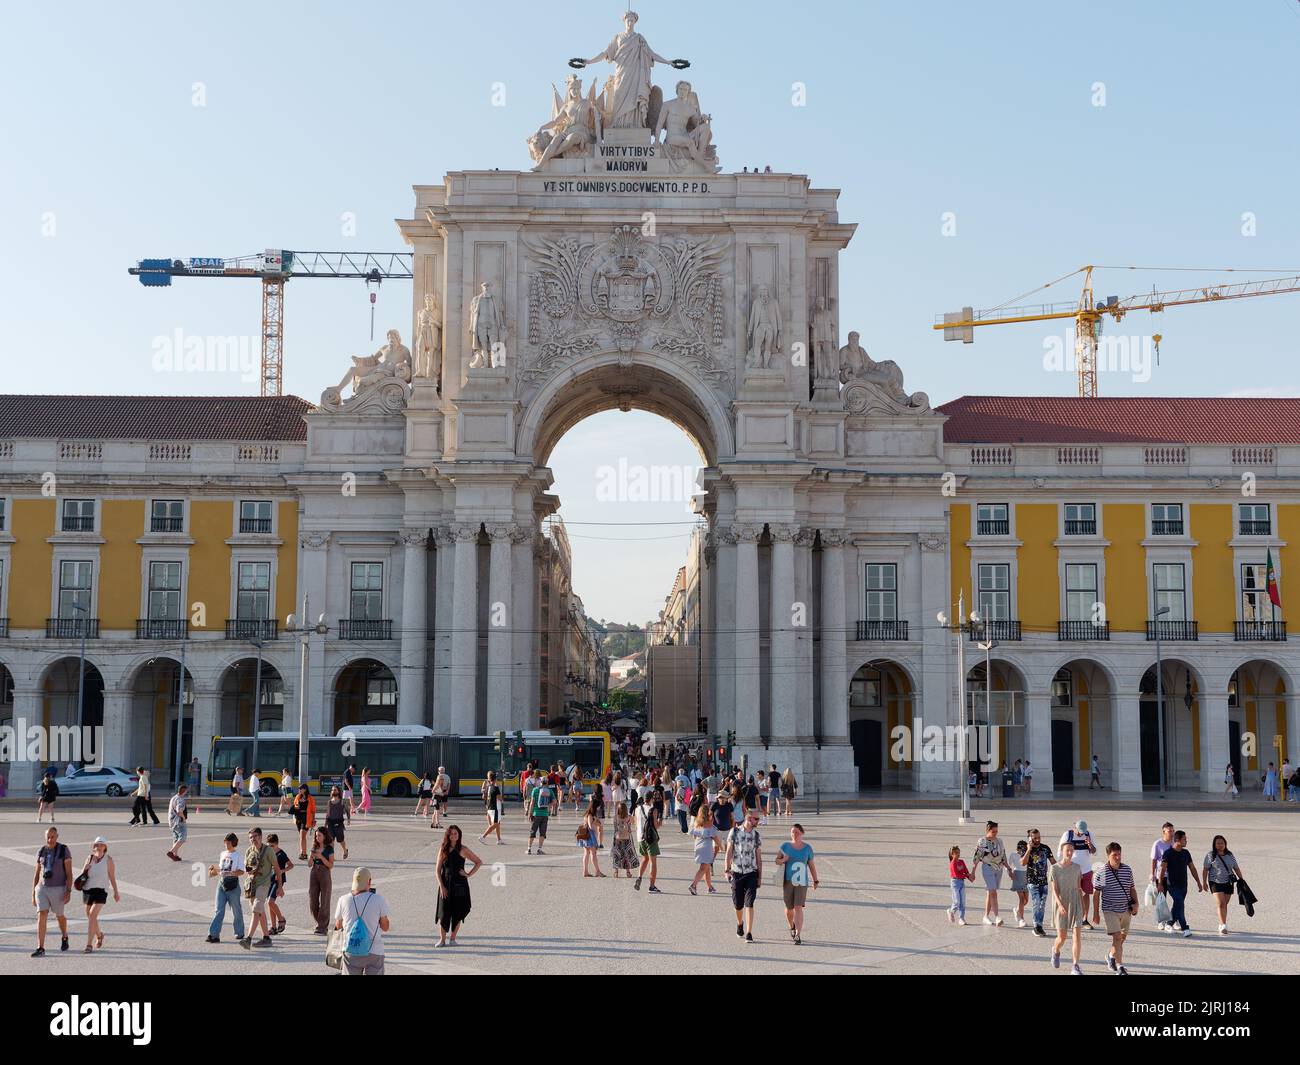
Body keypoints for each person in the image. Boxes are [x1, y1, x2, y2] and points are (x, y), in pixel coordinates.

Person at [333, 867, 391, 975]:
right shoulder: (378, 899)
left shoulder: (343, 899)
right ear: (369, 882)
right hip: (374, 951)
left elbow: (338, 925)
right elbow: (385, 927)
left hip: (351, 950)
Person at [435, 825, 482, 946]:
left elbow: (478, 862)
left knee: (458, 912)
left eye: (456, 833)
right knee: (443, 912)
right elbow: (437, 869)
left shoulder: (463, 849)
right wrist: (441, 886)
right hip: (445, 883)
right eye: (451, 834)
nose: (453, 836)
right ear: (448, 835)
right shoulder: (443, 848)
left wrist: (468, 874)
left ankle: (453, 939)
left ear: (459, 835)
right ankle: (442, 940)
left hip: (460, 884)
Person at [775, 823, 819, 944]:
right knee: (789, 909)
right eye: (792, 832)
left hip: (802, 882)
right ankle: (792, 926)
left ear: (802, 833)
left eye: (796, 832)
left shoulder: (807, 848)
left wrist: (815, 880)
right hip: (788, 881)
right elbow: (777, 861)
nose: (794, 834)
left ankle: (798, 935)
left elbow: (811, 865)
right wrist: (783, 860)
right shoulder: (785, 846)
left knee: (798, 907)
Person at [31, 826, 72, 956]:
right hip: (42, 888)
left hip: (58, 888)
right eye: (48, 837)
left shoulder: (63, 850)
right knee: (42, 914)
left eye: (52, 836)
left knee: (59, 916)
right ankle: (40, 947)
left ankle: (64, 936)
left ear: (57, 836)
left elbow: (69, 873)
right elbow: (37, 873)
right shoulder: (41, 851)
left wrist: (68, 890)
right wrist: (33, 892)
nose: (50, 839)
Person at [1098, 842, 1138, 975]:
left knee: (1121, 939)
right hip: (1110, 910)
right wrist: (1095, 913)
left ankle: (1110, 956)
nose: (1118, 857)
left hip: (1125, 909)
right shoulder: (1102, 872)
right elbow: (1096, 894)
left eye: (1119, 854)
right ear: (1108, 856)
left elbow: (1132, 888)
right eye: (1114, 855)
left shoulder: (1127, 869)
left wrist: (1136, 904)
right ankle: (1120, 967)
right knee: (1117, 937)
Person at [75, 836, 119, 954]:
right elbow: (82, 875)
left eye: (101, 844)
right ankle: (99, 935)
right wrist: (86, 867)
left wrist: (116, 892)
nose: (99, 846)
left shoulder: (108, 860)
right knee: (91, 917)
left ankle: (89, 944)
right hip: (88, 890)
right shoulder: (89, 858)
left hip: (101, 890)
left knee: (92, 914)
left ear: (105, 847)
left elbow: (112, 877)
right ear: (94, 846)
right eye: (97, 844)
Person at [725, 809, 763, 941]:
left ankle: (749, 932)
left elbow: (758, 857)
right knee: (738, 905)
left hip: (751, 873)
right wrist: (727, 869)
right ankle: (740, 923)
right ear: (748, 818)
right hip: (736, 872)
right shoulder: (734, 832)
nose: (757, 821)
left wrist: (759, 877)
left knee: (750, 903)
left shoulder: (756, 835)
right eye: (756, 819)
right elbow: (729, 851)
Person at [1158, 830, 1204, 937]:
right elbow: (1163, 869)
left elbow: (1192, 868)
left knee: (1177, 905)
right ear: (1177, 840)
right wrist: (1160, 884)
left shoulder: (1186, 853)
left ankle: (1169, 923)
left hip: (1184, 885)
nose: (1186, 841)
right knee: (1180, 903)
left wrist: (1198, 882)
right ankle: (1185, 927)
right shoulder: (1168, 853)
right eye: (1184, 839)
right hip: (1172, 884)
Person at [1049, 840, 1085, 974]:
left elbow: (1078, 887)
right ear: (1062, 851)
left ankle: (1075, 965)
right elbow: (1054, 890)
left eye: (1071, 850)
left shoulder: (1077, 867)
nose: (1069, 852)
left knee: (1077, 934)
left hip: (1075, 902)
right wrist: (1060, 905)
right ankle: (1055, 950)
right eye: (1067, 850)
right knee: (1062, 937)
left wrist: (1083, 907)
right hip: (1061, 902)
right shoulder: (1054, 868)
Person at [242, 826, 279, 949]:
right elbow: (246, 868)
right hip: (252, 885)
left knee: (256, 908)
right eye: (250, 837)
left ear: (261, 837)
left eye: (255, 836)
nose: (253, 839)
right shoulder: (249, 851)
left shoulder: (268, 851)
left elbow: (277, 868)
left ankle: (248, 938)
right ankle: (266, 938)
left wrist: (279, 886)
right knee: (260, 911)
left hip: (264, 884)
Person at [972, 821, 1015, 926]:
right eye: (993, 831)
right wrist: (972, 872)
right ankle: (997, 917)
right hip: (987, 868)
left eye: (996, 831)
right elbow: (976, 857)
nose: (995, 833)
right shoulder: (982, 841)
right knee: (993, 892)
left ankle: (986, 916)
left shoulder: (999, 841)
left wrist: (1009, 869)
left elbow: (1003, 856)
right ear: (987, 830)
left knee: (990, 893)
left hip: (999, 869)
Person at [206, 832, 246, 944]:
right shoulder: (223, 853)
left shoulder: (238, 855)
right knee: (218, 910)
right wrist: (214, 869)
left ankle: (239, 932)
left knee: (236, 910)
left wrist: (232, 873)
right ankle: (213, 935)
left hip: (233, 884)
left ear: (233, 843)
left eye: (228, 842)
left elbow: (242, 871)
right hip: (222, 883)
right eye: (225, 842)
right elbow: (221, 867)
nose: (226, 844)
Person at [1059, 819, 1098, 929]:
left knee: (1086, 894)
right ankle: (1068, 918)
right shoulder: (1068, 835)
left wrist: (1090, 845)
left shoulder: (1089, 834)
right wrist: (1061, 867)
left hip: (1086, 869)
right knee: (1070, 894)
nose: (1081, 833)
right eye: (1079, 831)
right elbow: (1060, 851)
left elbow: (1095, 852)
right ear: (1074, 827)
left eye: (1083, 831)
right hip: (1071, 869)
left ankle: (1084, 919)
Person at [1203, 834, 1242, 935]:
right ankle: (1223, 925)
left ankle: (1221, 923)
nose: (1220, 845)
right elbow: (1205, 869)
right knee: (1221, 903)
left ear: (1225, 844)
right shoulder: (1210, 855)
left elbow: (1236, 867)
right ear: (1214, 845)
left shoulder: (1230, 855)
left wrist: (1242, 879)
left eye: (1222, 843)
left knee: (1225, 904)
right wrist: (1204, 882)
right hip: (1215, 882)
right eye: (1218, 843)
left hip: (1228, 882)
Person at [1021, 828, 1056, 937]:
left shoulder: (1045, 848)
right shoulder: (1025, 848)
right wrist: (1029, 849)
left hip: (1043, 881)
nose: (1037, 839)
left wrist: (1063, 868)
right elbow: (1023, 862)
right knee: (1036, 901)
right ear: (1030, 839)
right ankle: (1036, 926)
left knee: (1042, 904)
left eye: (1039, 837)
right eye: (1035, 838)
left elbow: (1053, 862)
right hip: (1032, 880)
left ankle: (1039, 925)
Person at [307, 826, 335, 935]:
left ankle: (322, 927)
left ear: (324, 836)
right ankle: (319, 922)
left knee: (325, 899)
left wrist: (321, 857)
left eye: (319, 835)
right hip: (314, 872)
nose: (317, 837)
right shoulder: (314, 847)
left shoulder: (329, 849)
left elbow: (331, 865)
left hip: (325, 872)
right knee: (312, 899)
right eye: (316, 835)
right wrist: (311, 858)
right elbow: (309, 865)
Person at [634, 790, 662, 892]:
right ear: (651, 799)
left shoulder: (637, 809)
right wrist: (660, 821)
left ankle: (639, 877)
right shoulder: (652, 810)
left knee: (644, 859)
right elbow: (656, 826)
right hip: (650, 838)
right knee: (652, 862)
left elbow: (635, 823)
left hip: (640, 837)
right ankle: (652, 886)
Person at [265, 833, 293, 935]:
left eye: (272, 846)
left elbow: (291, 865)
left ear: (277, 844)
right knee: (270, 904)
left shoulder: (281, 854)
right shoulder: (268, 853)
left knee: (270, 902)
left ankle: (281, 919)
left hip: (278, 880)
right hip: (269, 880)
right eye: (268, 846)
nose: (270, 848)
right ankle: (273, 927)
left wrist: (282, 871)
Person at [688, 805, 719, 895]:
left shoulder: (697, 823)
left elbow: (694, 835)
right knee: (703, 868)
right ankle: (693, 885)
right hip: (707, 847)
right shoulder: (709, 823)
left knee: (707, 868)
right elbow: (715, 837)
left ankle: (710, 887)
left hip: (698, 846)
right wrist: (721, 847)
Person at [1149, 821, 1175, 930]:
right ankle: (1161, 921)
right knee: (1161, 899)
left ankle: (1174, 919)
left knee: (1177, 898)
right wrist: (1153, 874)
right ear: (1164, 831)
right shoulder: (1158, 844)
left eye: (1173, 830)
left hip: (1174, 875)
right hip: (1161, 875)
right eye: (1170, 831)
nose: (1172, 833)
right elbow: (1154, 860)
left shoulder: (1175, 843)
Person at [947, 845, 975, 925]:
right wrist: (966, 876)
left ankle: (961, 918)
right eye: (956, 853)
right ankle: (951, 911)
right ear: (952, 854)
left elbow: (965, 871)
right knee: (957, 901)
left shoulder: (961, 861)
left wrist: (970, 876)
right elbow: (956, 875)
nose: (958, 854)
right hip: (955, 883)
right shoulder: (952, 863)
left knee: (962, 902)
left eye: (959, 853)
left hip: (962, 883)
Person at [577, 798, 605, 877]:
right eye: (598, 807)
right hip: (590, 837)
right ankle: (597, 871)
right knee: (593, 854)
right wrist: (596, 821)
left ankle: (585, 872)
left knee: (586, 854)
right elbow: (590, 826)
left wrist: (596, 821)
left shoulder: (588, 814)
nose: (599, 808)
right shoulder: (590, 815)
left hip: (586, 837)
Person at [291, 783, 316, 860]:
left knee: (302, 835)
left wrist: (313, 820)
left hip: (307, 817)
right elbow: (294, 806)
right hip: (299, 817)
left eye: (300, 789)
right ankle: (304, 853)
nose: (299, 790)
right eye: (299, 789)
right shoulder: (298, 797)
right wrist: (296, 806)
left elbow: (313, 810)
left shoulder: (310, 798)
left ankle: (303, 853)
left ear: (305, 789)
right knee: (302, 837)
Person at [478, 770, 503, 845]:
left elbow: (484, 796)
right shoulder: (496, 788)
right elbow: (499, 798)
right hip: (495, 808)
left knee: (498, 823)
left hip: (489, 807)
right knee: (495, 824)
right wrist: (502, 800)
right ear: (495, 779)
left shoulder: (488, 787)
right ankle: (483, 837)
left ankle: (499, 839)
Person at [166, 784, 189, 862]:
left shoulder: (173, 798)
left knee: (176, 838)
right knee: (183, 838)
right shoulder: (181, 799)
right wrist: (183, 818)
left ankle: (175, 855)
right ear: (185, 791)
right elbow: (179, 811)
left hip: (171, 821)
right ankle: (171, 852)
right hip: (178, 821)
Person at [325, 785, 348, 860]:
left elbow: (347, 810)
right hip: (331, 823)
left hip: (339, 823)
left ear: (338, 791)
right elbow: (328, 814)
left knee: (341, 840)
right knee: (331, 840)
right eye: (332, 790)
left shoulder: (342, 801)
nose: (333, 791)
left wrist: (349, 819)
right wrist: (325, 824)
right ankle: (332, 856)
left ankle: (345, 850)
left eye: (335, 790)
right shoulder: (329, 802)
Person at [1011, 839, 1030, 927]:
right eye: (1021, 849)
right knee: (1022, 899)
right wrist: (1010, 873)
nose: (1022, 851)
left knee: (1026, 900)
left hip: (1026, 876)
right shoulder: (1013, 855)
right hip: (1017, 875)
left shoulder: (1027, 854)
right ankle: (1021, 919)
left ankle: (1017, 910)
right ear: (1017, 848)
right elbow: (1008, 865)